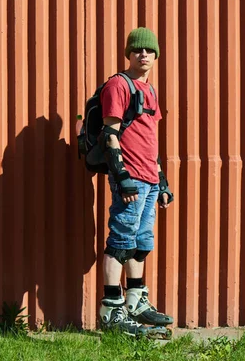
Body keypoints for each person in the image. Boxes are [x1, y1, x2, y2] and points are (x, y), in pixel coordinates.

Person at [97, 27, 174, 336]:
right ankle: (111, 310)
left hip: (149, 179)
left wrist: (161, 180)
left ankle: (136, 300)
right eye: (138, 49)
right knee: (121, 241)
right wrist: (122, 176)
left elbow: (149, 139)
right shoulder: (119, 85)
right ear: (128, 53)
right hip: (130, 179)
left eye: (149, 50)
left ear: (155, 55)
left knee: (141, 243)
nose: (144, 54)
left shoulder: (150, 90)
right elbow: (110, 134)